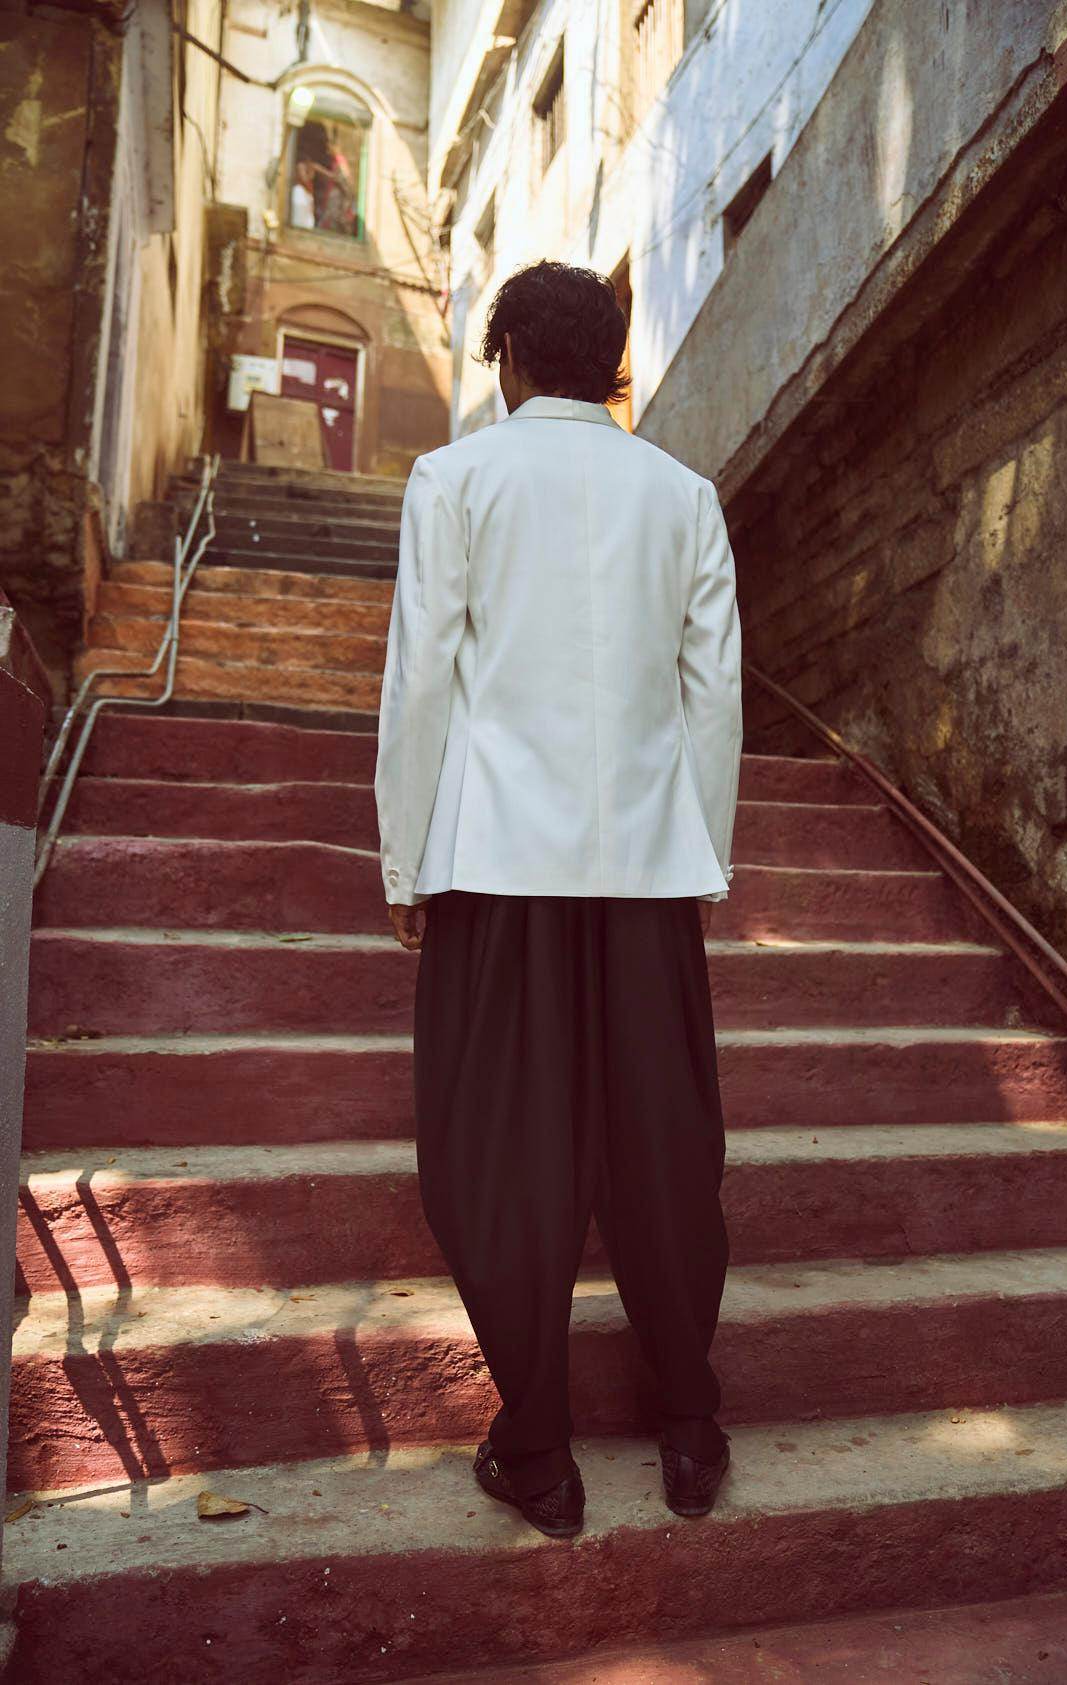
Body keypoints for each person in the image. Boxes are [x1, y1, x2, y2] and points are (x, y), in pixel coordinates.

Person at [374, 259, 743, 1541]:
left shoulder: (455, 479)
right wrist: (701, 859)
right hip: (645, 868)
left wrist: (404, 860)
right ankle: (688, 1425)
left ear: (511, 361)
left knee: (496, 1155)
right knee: (667, 1150)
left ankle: (537, 1451)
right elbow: (713, 694)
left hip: (496, 865)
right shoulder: (683, 496)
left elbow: (422, 679)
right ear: (609, 365)